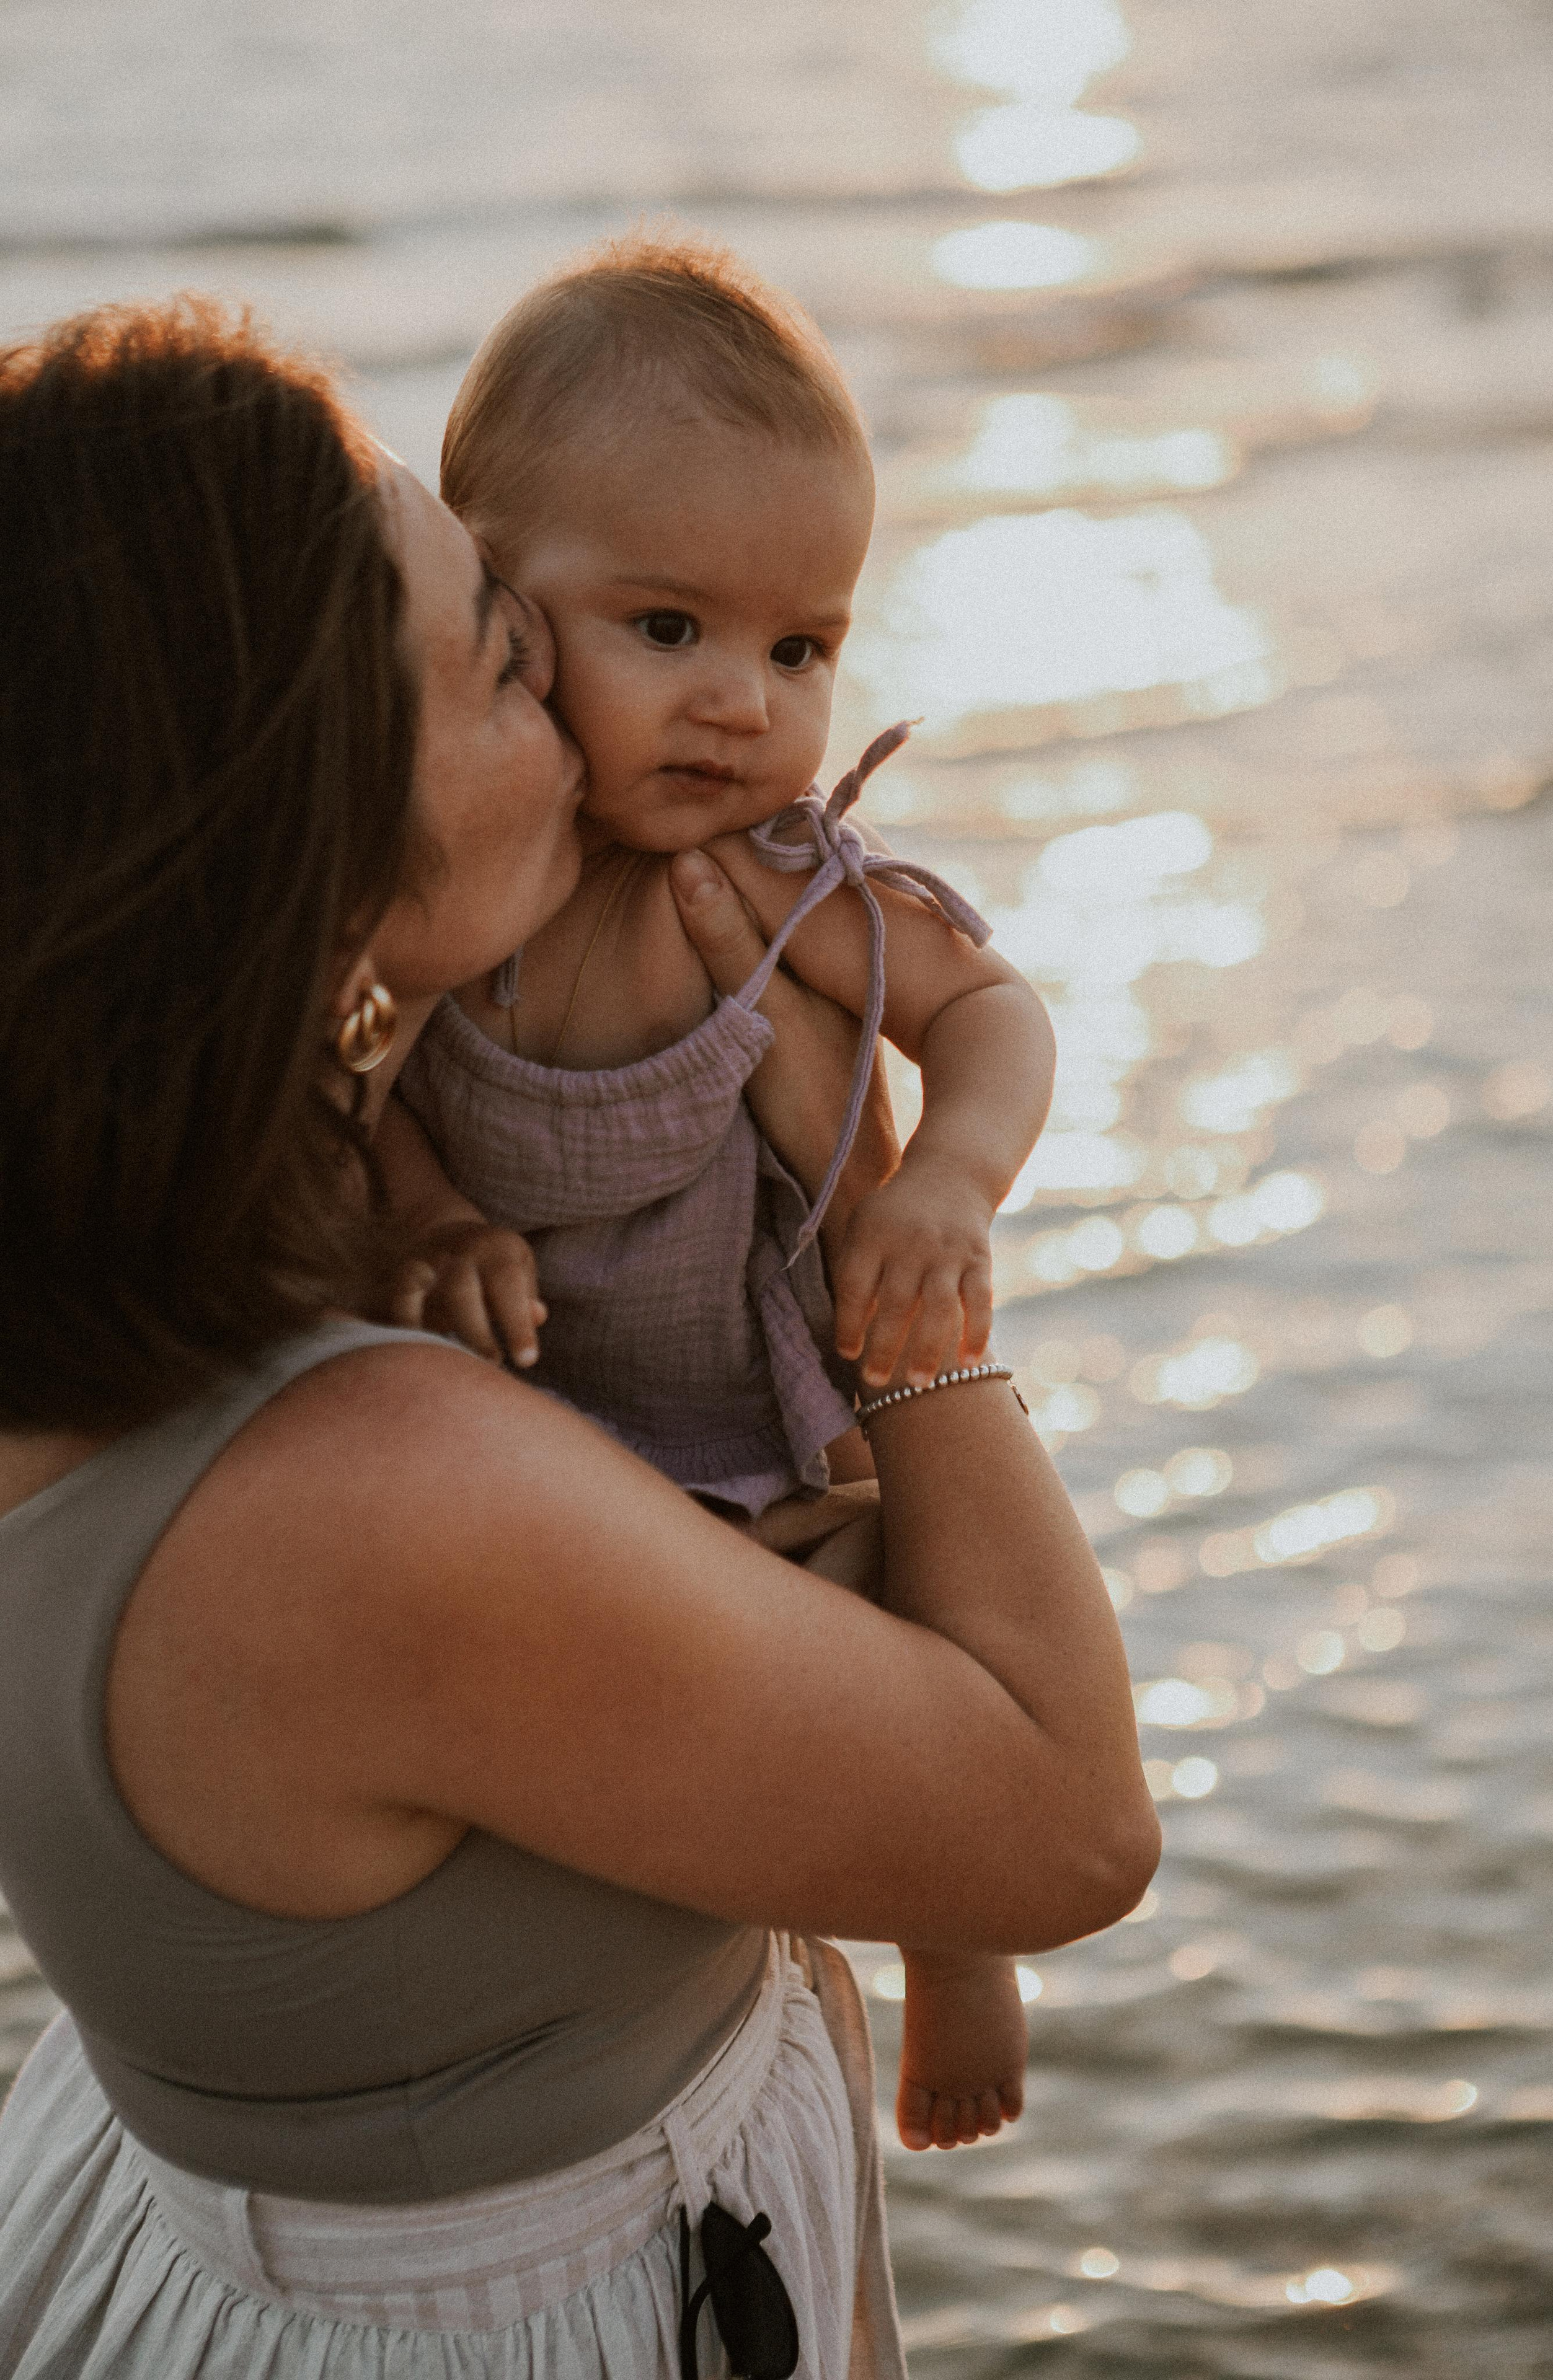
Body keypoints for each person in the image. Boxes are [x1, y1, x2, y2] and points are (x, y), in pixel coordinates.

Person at [0, 298, 1157, 2378]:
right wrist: (874, 1222)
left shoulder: (130, 1259)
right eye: (510, 660)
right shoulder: (377, 1498)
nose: (600, 710)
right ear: (327, 838)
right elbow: (1072, 1825)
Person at [375, 236, 1059, 2147]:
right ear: (503, 612)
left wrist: (952, 1186)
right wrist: (428, 1214)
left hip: (765, 1392)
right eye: (666, 628)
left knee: (903, 1617)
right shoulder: (459, 881)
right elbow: (368, 1085)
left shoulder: (774, 882)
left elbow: (991, 1010)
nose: (743, 706)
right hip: (540, 1419)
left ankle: (957, 1935)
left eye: (799, 649)